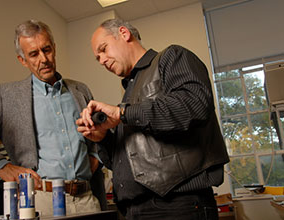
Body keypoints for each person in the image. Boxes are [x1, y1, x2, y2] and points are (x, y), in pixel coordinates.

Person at [76, 18, 230, 220]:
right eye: (97, 58)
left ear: (124, 33)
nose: (102, 60)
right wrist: (102, 137)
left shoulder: (172, 57)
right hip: (135, 210)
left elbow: (195, 105)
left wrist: (122, 113)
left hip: (177, 208)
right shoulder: (130, 93)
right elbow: (130, 160)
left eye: (103, 49)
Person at [0, 19, 106, 216]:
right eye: (33, 54)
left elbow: (99, 134)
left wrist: (95, 156)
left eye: (47, 49)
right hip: (40, 201)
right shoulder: (7, 96)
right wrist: (2, 167)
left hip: (87, 200)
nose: (43, 59)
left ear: (54, 48)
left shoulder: (80, 90)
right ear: (22, 60)